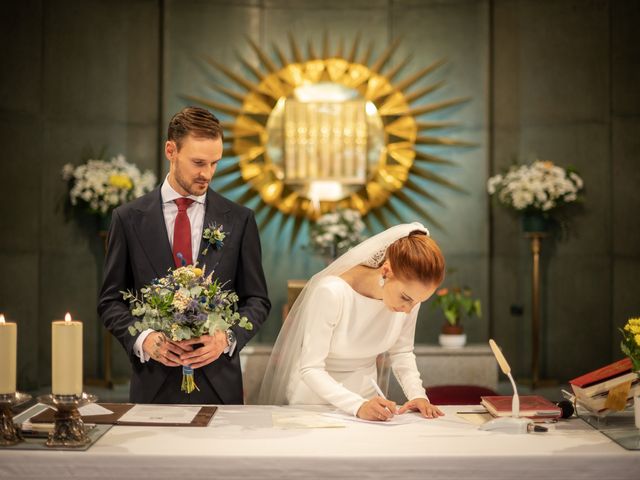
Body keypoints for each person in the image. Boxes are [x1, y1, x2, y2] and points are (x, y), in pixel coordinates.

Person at [98, 106, 271, 404]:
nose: (207, 174)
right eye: (198, 162)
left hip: (219, 386)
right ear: (171, 150)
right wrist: (144, 340)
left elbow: (257, 300)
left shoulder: (240, 220)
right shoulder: (127, 219)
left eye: (215, 163)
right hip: (153, 384)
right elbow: (110, 301)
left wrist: (226, 338)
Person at [259, 223, 445, 421]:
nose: (408, 310)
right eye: (406, 298)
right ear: (386, 271)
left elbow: (402, 352)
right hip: (313, 404)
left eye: (417, 302)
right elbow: (310, 368)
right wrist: (357, 405)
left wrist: (417, 395)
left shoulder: (410, 300)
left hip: (367, 404)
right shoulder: (331, 292)